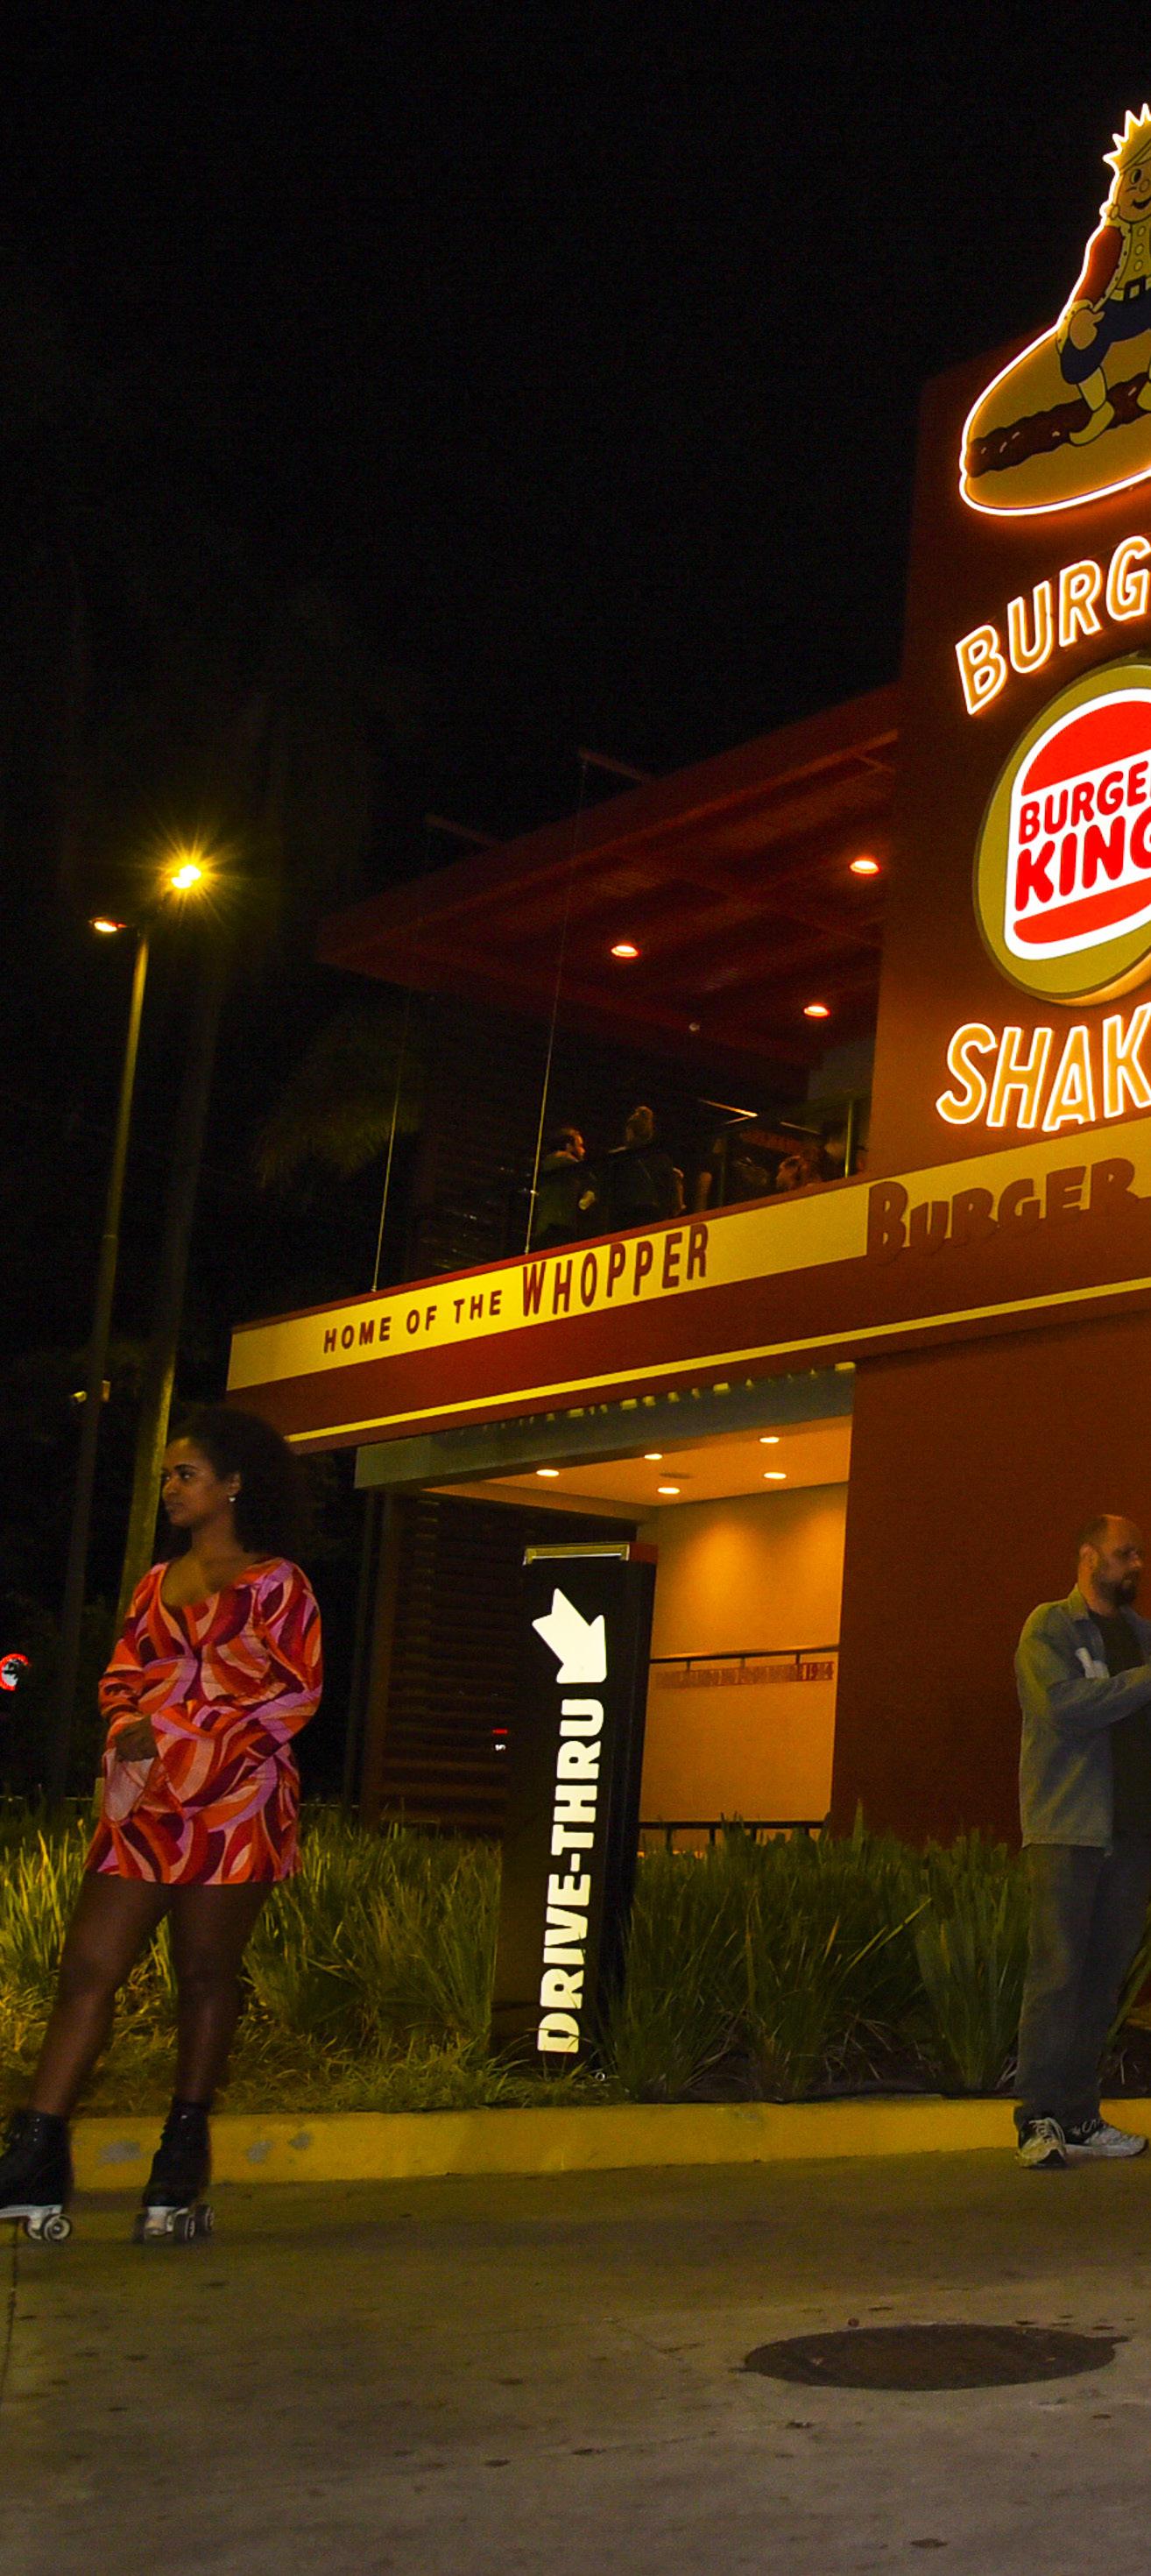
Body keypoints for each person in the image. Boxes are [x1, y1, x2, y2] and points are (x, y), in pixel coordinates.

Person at [0, 1404, 321, 2240]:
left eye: (186, 1475)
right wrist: (124, 1723)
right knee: (89, 1965)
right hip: (143, 1805)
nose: (171, 1488)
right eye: (168, 1476)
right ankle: (37, 2150)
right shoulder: (154, 1583)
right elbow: (122, 1675)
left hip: (234, 1805)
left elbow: (292, 1694)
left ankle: (180, 2152)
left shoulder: (279, 1585)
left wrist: (175, 1730)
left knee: (205, 1975)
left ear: (234, 1484)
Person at [1013, 1514, 1151, 2169]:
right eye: (1126, 1554)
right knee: (1058, 1976)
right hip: (1068, 1831)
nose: (1137, 1565)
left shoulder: (1142, 1636)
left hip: (1133, 1836)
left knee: (1101, 1984)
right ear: (1090, 1557)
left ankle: (1079, 2116)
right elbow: (1064, 1708)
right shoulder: (1051, 1627)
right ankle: (1037, 2119)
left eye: (1139, 1555)